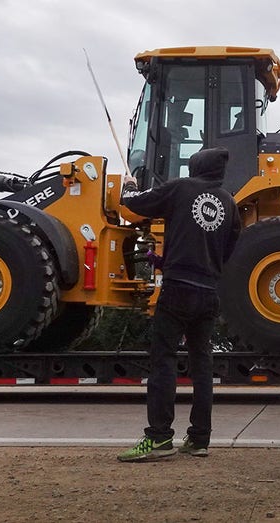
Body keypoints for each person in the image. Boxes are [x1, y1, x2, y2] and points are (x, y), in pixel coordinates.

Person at [116, 147, 241, 462]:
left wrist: (129, 187)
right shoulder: (229, 203)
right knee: (202, 364)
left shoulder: (181, 188)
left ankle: (159, 437)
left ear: (196, 166)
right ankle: (199, 439)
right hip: (209, 291)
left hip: (177, 289)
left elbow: (133, 205)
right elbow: (228, 250)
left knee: (164, 359)